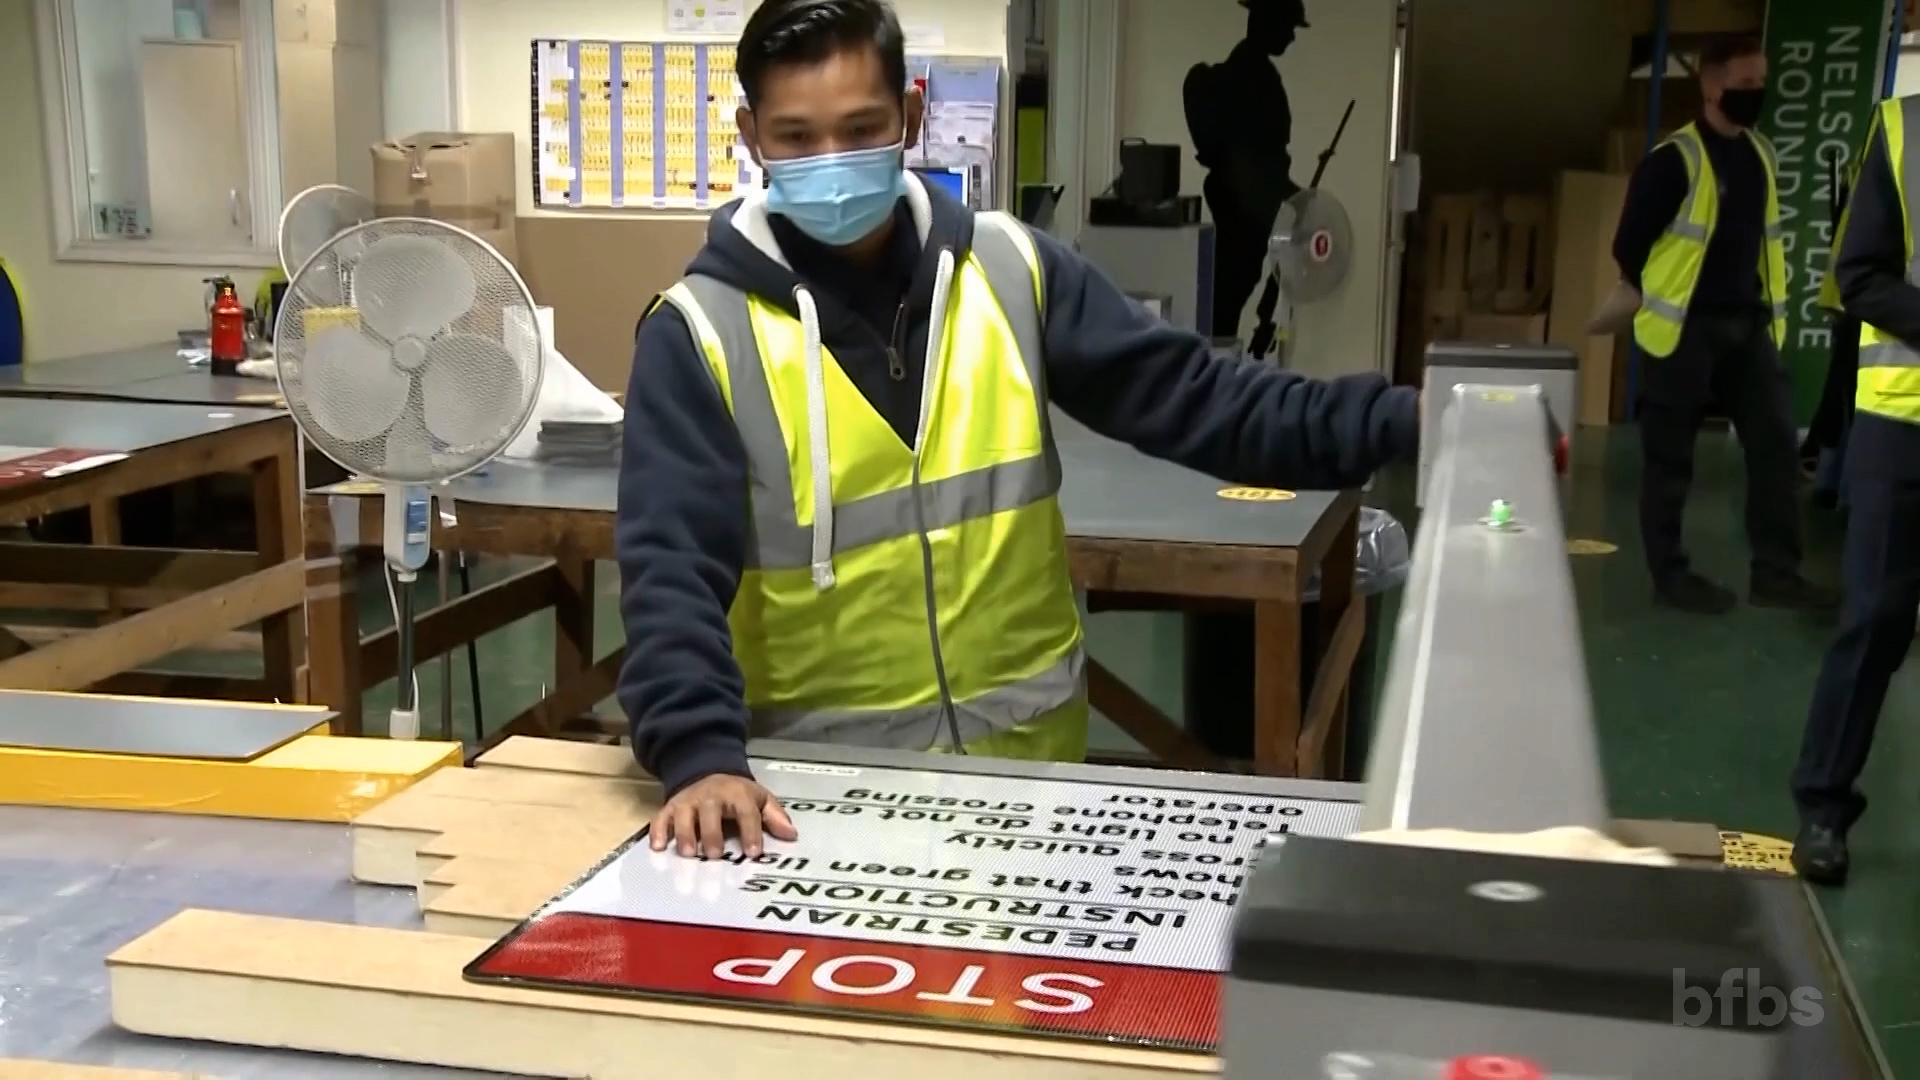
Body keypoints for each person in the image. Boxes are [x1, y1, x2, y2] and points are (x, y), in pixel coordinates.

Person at [617, 0, 1419, 858]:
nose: (832, 164)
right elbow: (670, 574)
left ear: (912, 115)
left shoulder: (1010, 272)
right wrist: (699, 753)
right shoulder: (700, 334)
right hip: (818, 815)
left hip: (1031, 802)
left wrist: (1405, 420)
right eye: (797, 138)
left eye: (860, 129)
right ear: (749, 134)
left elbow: (1208, 400)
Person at [1611, 35, 1832, 615]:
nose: (1754, 95)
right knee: (1671, 459)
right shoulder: (1674, 162)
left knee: (1776, 446)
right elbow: (1628, 245)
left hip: (1745, 327)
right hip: (1684, 330)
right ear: (1712, 86)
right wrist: (1667, 294)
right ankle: (1671, 575)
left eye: (1761, 84)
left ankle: (1776, 573)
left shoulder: (1759, 155)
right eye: (1744, 85)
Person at [1789, 94, 1920, 885]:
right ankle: (1822, 809)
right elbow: (1861, 277)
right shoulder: (1904, 131)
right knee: (1875, 619)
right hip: (1901, 423)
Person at [1183, 0, 1306, 343]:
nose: (1292, 38)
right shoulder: (1248, 77)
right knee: (1226, 304)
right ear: (1268, 22)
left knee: (1230, 301)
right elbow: (1251, 163)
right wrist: (1288, 198)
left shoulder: (1256, 73)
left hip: (1252, 206)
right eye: (1289, 27)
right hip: (1245, 209)